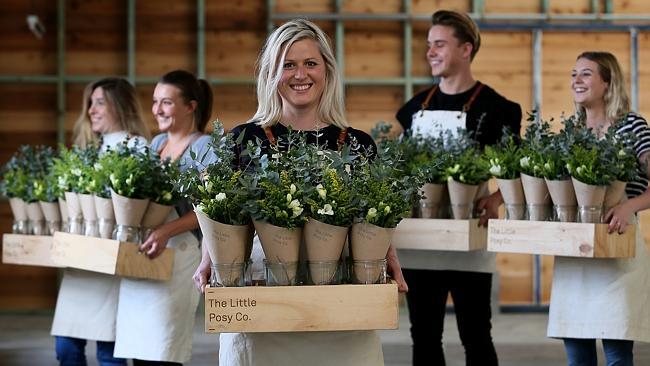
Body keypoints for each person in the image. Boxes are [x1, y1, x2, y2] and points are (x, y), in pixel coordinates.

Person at [192, 19, 408, 366]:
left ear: (327, 70)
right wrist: (208, 260)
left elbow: (372, 218)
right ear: (271, 73)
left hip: (341, 306)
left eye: (310, 63)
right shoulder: (243, 141)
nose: (299, 74)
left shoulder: (357, 143)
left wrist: (389, 259)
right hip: (264, 300)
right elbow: (222, 216)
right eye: (287, 65)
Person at [394, 10, 522, 366]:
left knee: (476, 333)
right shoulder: (415, 109)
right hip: (421, 242)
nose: (430, 52)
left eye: (439, 44)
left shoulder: (497, 110)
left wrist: (495, 198)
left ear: (466, 49)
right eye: (428, 45)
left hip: (469, 241)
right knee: (423, 335)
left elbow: (518, 168)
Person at [547, 51, 650, 366]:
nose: (576, 80)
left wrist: (628, 205)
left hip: (618, 244)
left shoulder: (632, 126)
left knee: (618, 354)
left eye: (586, 74)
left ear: (608, 82)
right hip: (574, 251)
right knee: (577, 355)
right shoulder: (570, 133)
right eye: (573, 73)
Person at [112, 70, 217, 365]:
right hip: (146, 254)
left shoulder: (204, 148)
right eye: (155, 101)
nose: (157, 109)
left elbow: (211, 208)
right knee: (139, 350)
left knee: (163, 350)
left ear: (190, 106)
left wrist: (166, 230)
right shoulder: (156, 144)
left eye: (167, 102)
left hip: (181, 254)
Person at [51, 77, 150, 365]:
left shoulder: (138, 147)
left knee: (110, 353)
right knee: (65, 348)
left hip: (113, 264)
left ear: (120, 106)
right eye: (90, 103)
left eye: (100, 102)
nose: (91, 110)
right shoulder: (85, 150)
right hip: (81, 262)